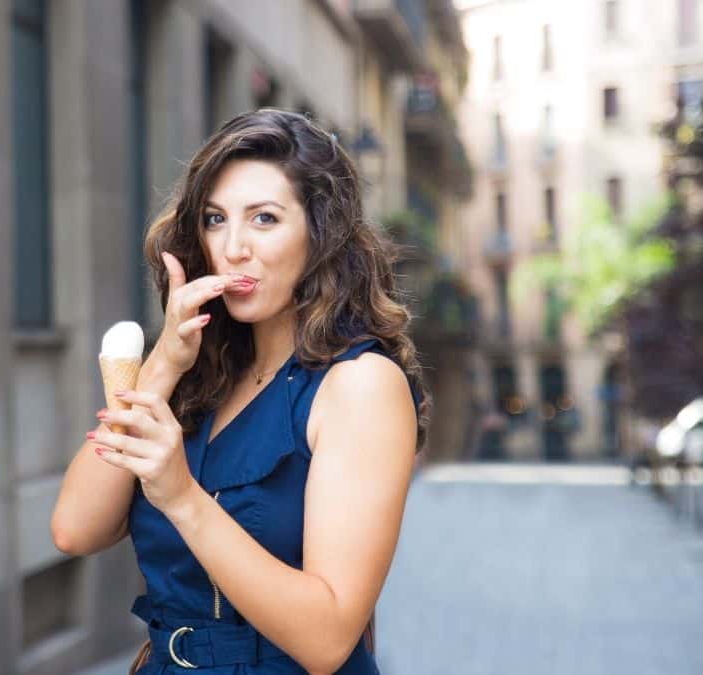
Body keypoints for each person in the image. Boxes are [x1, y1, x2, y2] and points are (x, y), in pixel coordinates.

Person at [50, 109, 428, 674]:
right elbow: (74, 529)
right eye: (215, 219)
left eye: (265, 219)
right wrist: (161, 368)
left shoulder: (360, 386)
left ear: (319, 234)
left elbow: (327, 641)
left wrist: (181, 496)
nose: (233, 248)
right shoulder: (201, 374)